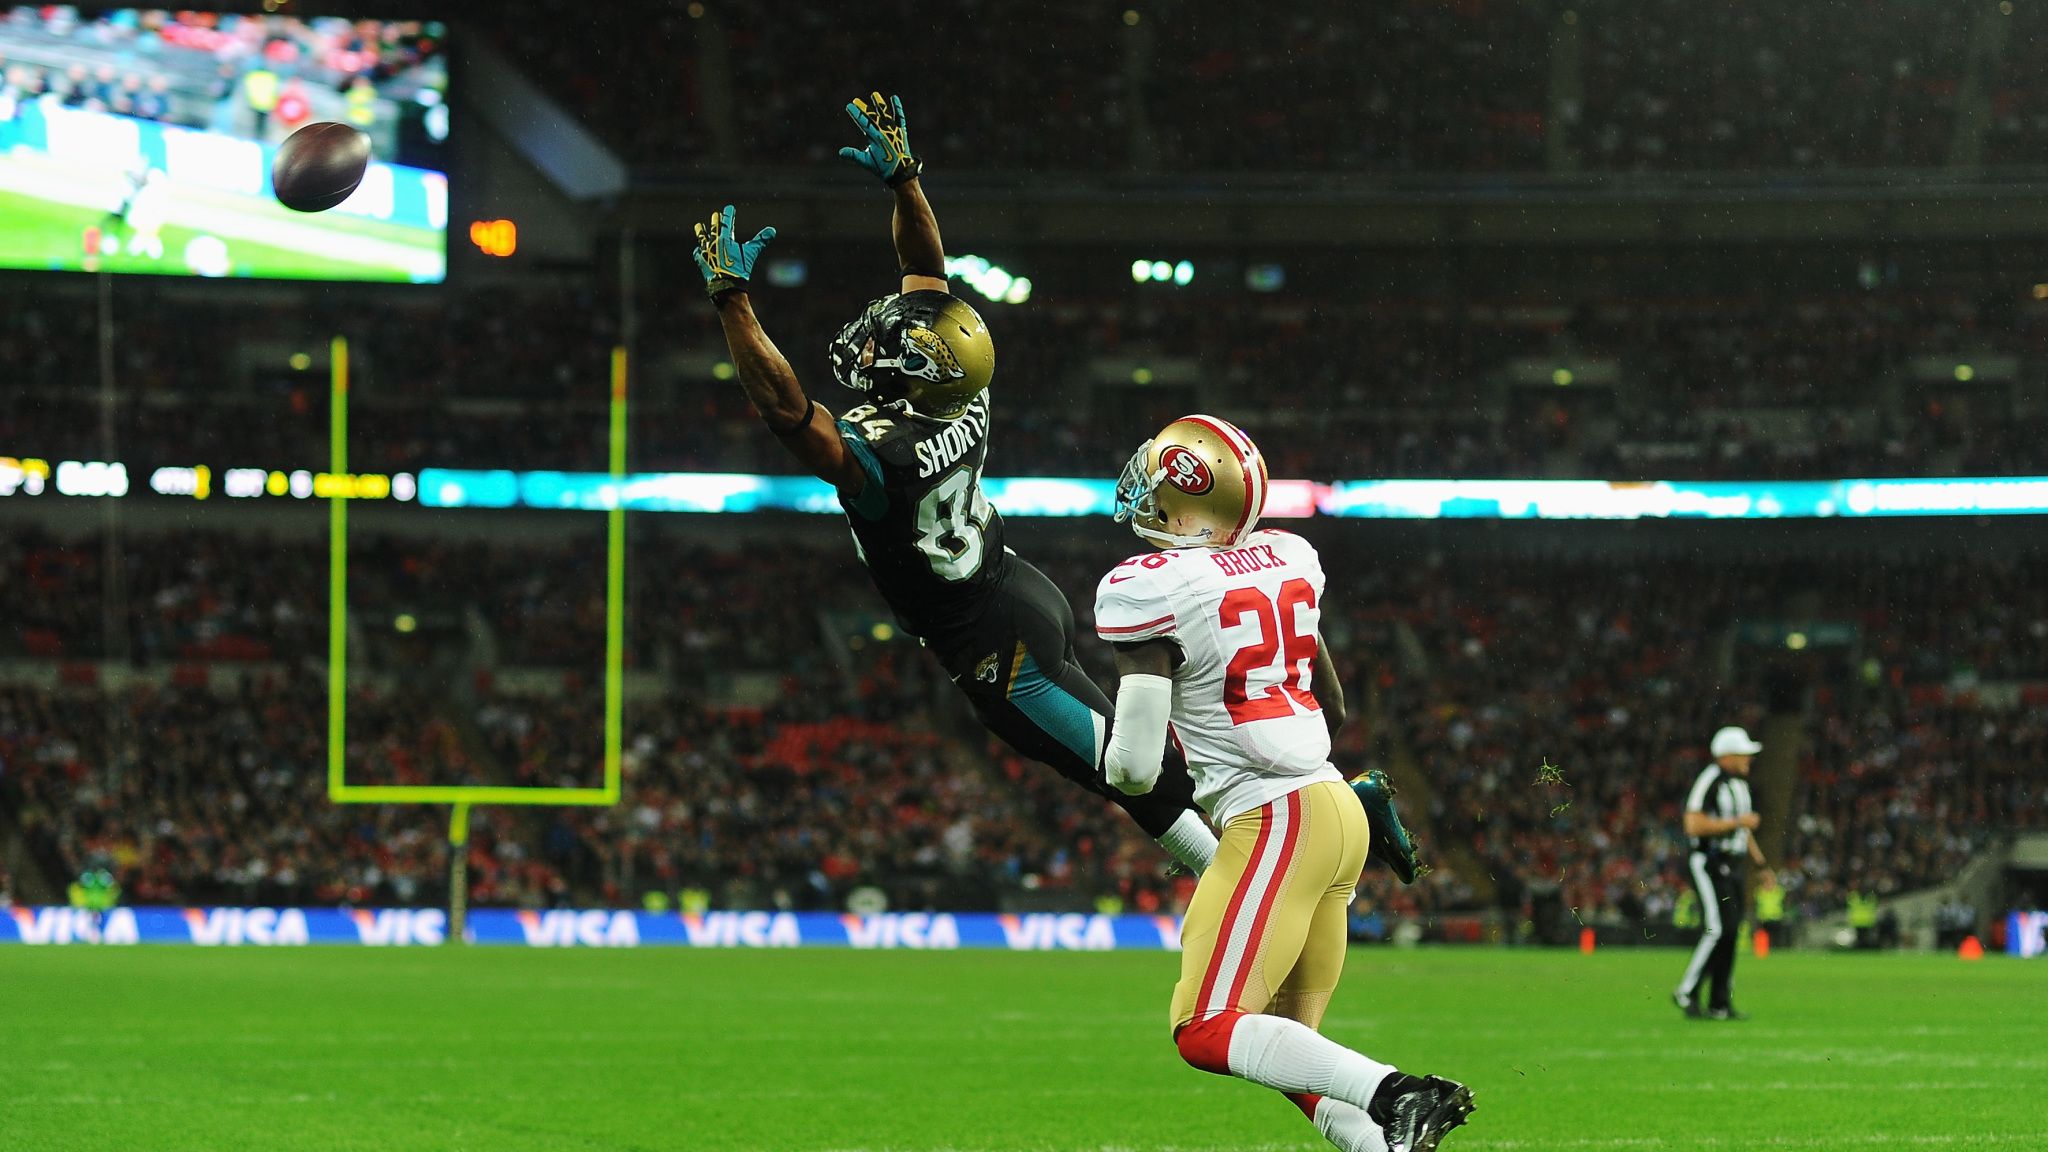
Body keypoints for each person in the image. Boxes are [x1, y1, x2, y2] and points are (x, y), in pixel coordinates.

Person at [687, 92, 1219, 875]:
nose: (876, 338)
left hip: (993, 646)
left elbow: (785, 409)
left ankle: (1234, 873)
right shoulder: (966, 385)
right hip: (1016, 589)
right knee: (1132, 759)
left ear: (914, 373)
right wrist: (906, 183)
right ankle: (1245, 840)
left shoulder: (885, 461)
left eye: (892, 342)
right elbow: (923, 268)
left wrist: (733, 302)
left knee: (1127, 777)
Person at [1095, 415, 1473, 1152]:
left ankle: (1402, 1093)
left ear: (1191, 493)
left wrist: (1100, 754)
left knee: (1205, 1029)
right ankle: (1385, 1144)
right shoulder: (1288, 555)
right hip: (1334, 810)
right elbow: (1330, 702)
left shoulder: (1150, 588)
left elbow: (1133, 768)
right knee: (1290, 1053)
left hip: (1276, 820)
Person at [1674, 725, 1767, 1021]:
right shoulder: (1710, 780)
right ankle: (1686, 990)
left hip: (1733, 863)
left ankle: (1719, 1002)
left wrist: (1761, 864)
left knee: (1730, 931)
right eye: (1744, 753)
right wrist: (1735, 823)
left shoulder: (1739, 785)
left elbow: (1743, 831)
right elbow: (1693, 825)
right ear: (1726, 755)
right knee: (1717, 928)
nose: (1749, 759)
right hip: (1709, 861)